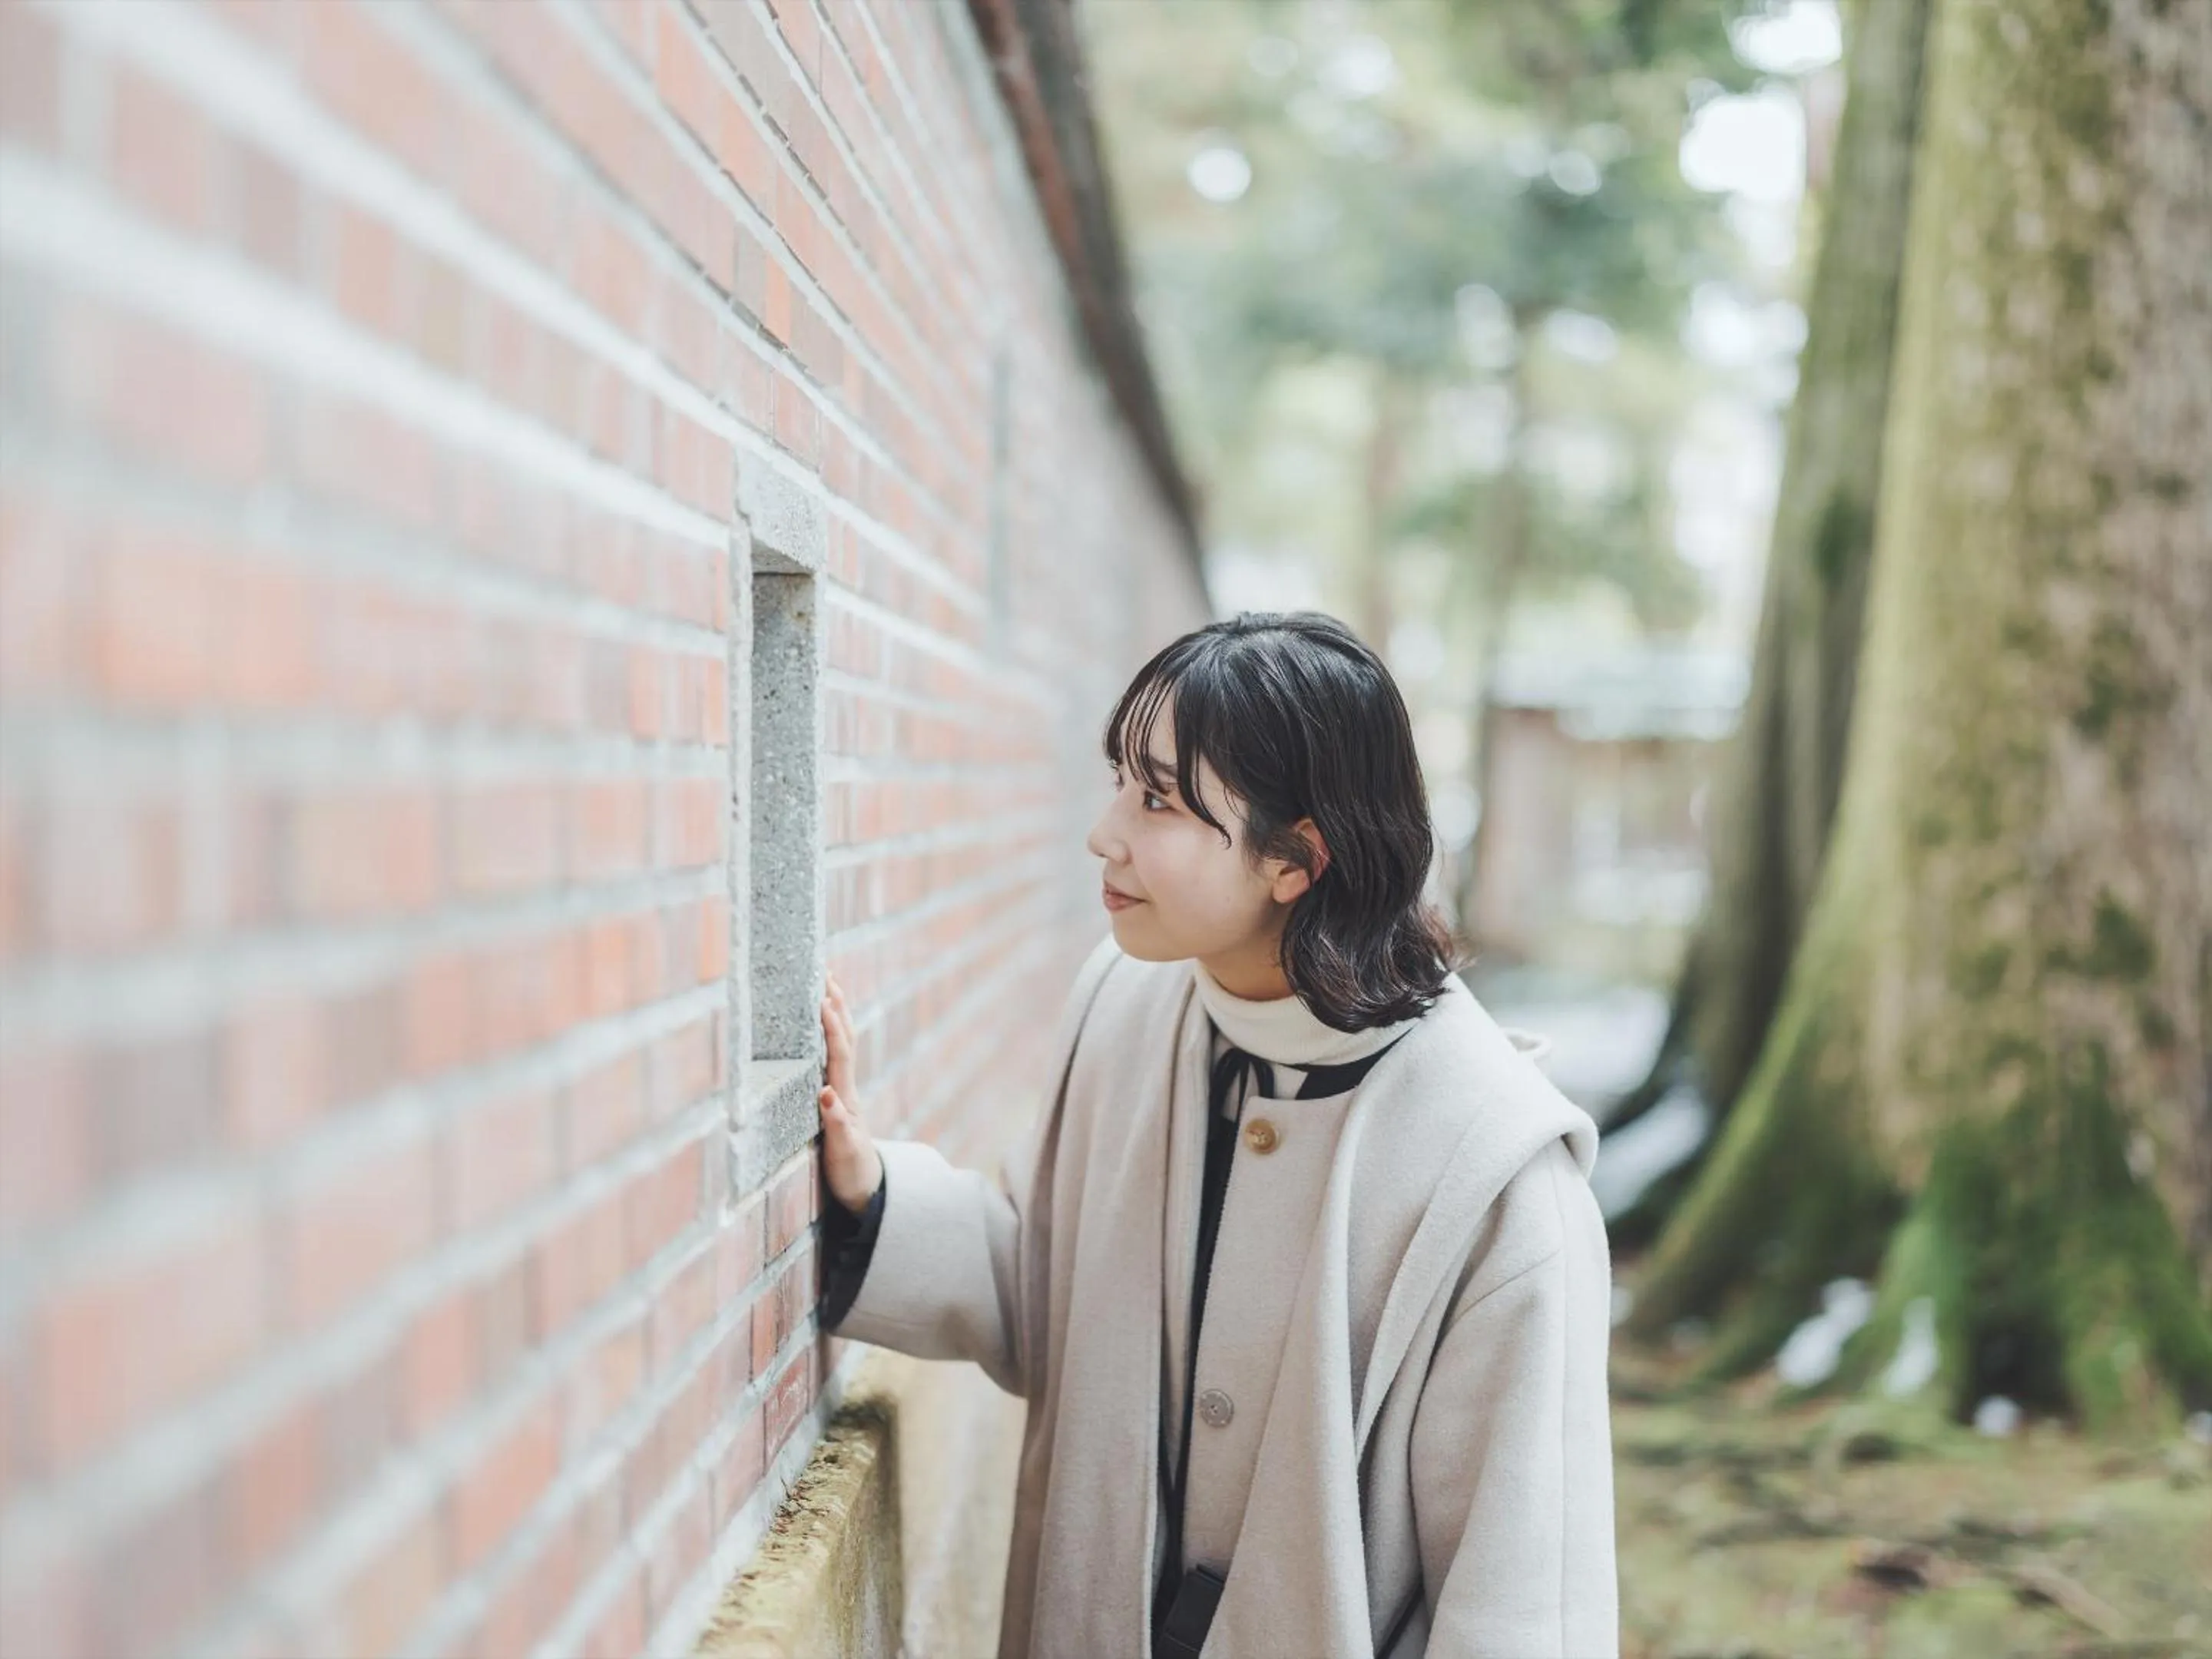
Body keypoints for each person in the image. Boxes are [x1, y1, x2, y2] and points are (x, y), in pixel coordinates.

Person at [813, 611, 1618, 1658]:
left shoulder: (1498, 1177)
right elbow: (1049, 1283)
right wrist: (869, 1192)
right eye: (1120, 781)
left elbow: (1521, 1603)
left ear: (1297, 859)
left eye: (1158, 800)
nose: (1106, 832)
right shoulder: (1125, 1006)